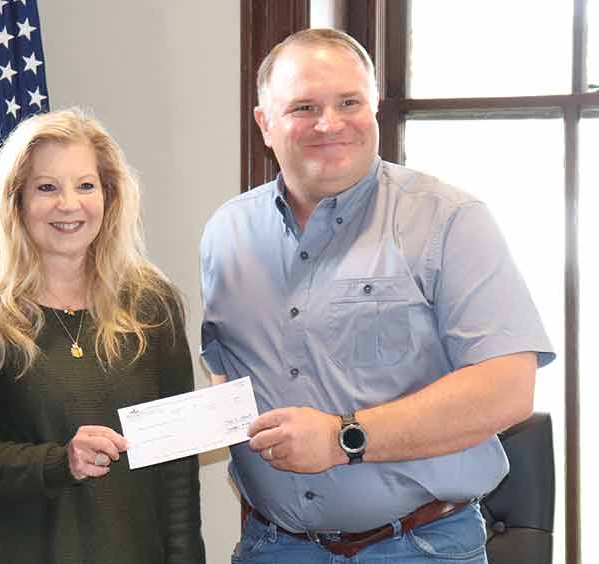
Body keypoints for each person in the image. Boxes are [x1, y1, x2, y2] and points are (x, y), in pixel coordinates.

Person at [200, 28, 554, 563]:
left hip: (419, 546)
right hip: (274, 547)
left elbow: (507, 389)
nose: (329, 123)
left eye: (349, 102)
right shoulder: (226, 234)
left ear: (374, 108)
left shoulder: (450, 221)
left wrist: (345, 438)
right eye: (303, 106)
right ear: (264, 124)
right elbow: (227, 376)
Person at [0, 108, 205, 564]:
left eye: (86, 186)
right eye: (47, 187)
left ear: (110, 196)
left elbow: (177, 471)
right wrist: (59, 462)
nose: (69, 204)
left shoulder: (152, 304)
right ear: (16, 200)